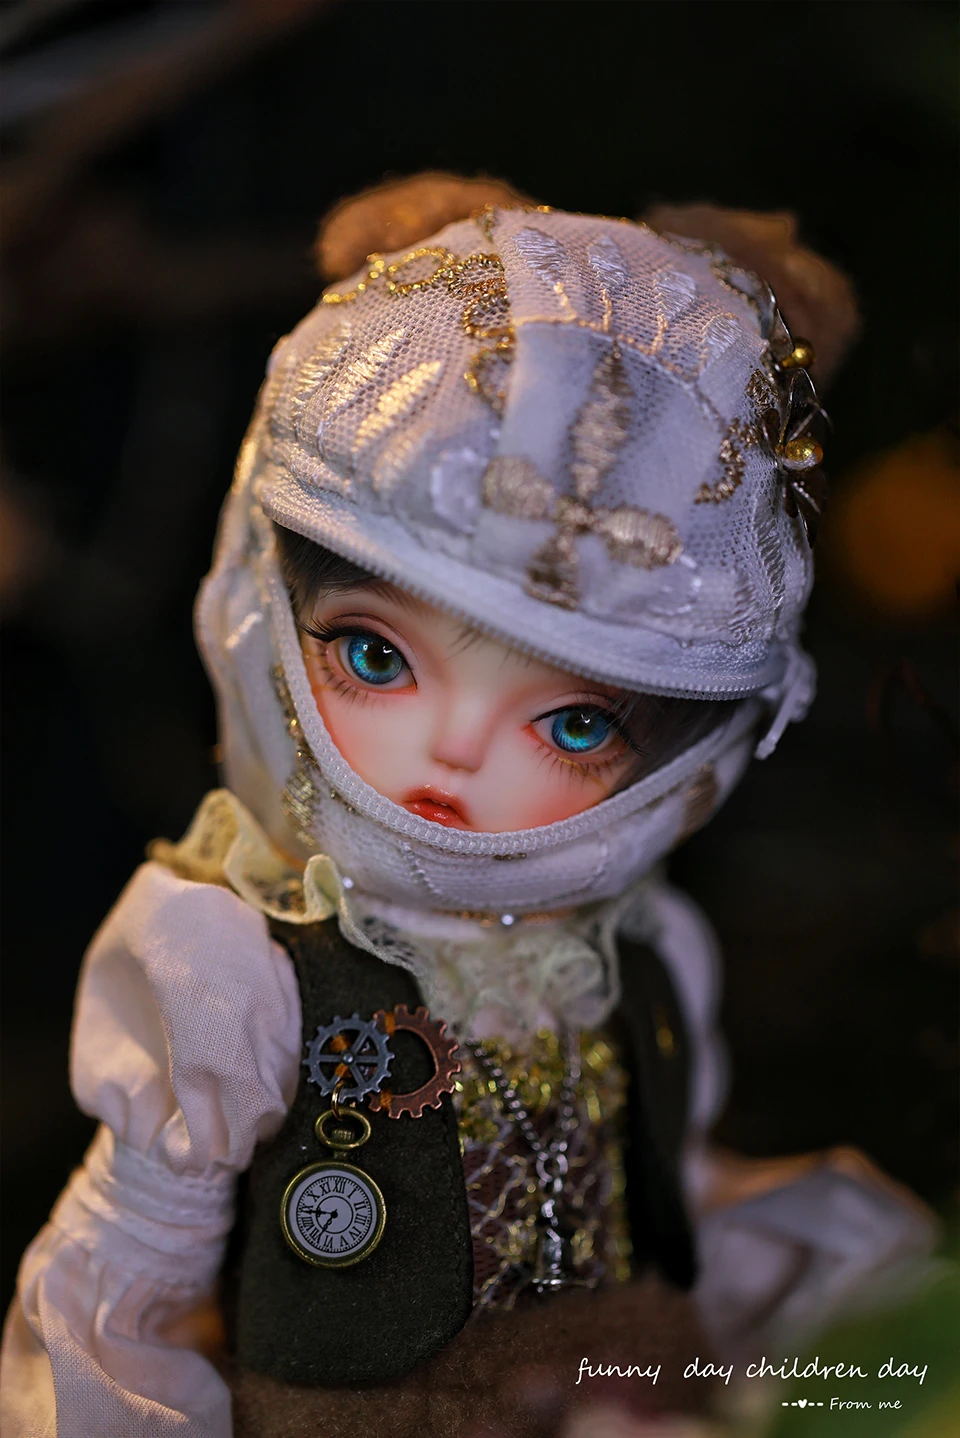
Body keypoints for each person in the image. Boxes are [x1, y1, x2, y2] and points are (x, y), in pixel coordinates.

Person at [1, 175, 935, 1438]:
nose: (452, 752)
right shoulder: (232, 963)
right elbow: (127, 1291)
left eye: (576, 723)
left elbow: (678, 1205)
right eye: (373, 655)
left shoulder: (645, 951)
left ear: (688, 754)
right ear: (265, 607)